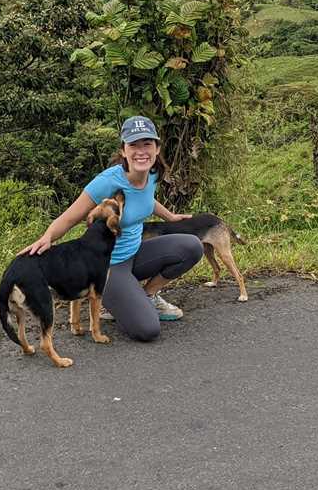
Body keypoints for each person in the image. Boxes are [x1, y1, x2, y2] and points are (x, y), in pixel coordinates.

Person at [23, 115, 203, 341]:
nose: (141, 151)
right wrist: (47, 237)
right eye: (133, 145)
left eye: (147, 144)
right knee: (147, 330)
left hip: (136, 252)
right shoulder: (107, 182)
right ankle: (113, 300)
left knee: (192, 246)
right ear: (123, 150)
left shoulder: (154, 173)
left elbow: (147, 200)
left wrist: (170, 216)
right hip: (108, 266)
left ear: (157, 148)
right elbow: (69, 218)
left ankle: (147, 294)